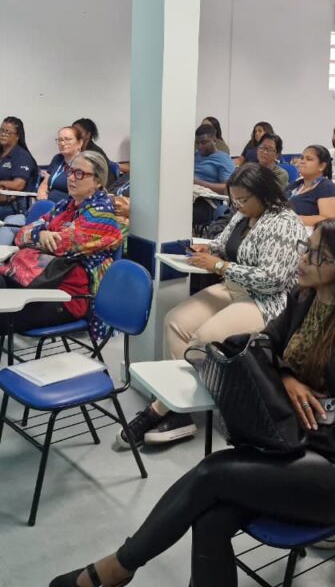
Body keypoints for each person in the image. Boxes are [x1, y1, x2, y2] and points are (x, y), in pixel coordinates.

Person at [53, 219, 335, 587]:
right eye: (308, 248)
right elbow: (262, 344)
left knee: (213, 471)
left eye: (319, 256)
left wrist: (301, 429)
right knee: (211, 521)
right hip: (289, 448)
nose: (303, 259)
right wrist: (287, 378)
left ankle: (118, 567)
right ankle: (118, 568)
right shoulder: (304, 300)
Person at [0, 151, 122, 443]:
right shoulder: (66, 206)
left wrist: (42, 235)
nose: (71, 177)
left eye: (81, 173)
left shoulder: (103, 214)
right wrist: (41, 235)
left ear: (99, 181)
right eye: (70, 170)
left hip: (68, 299)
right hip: (39, 283)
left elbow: (65, 244)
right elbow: (25, 233)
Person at [118, 163, 305, 449]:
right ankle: (182, 408)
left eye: (243, 200)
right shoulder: (243, 215)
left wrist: (219, 265)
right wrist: (209, 250)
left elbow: (274, 280)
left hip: (265, 300)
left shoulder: (285, 222)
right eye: (234, 200)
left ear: (265, 194)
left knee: (204, 339)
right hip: (233, 288)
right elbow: (223, 243)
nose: (238, 205)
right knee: (176, 321)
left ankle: (162, 410)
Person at [0, 116, 38, 219]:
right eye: (1, 130)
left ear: (17, 136)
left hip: (13, 206)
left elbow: (18, 184)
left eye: (8, 132)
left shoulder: (21, 156)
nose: (3, 134)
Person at [286, 145, 335, 227]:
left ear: (321, 166)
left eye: (309, 159)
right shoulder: (295, 185)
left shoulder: (327, 188)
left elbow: (328, 220)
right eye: (301, 158)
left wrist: (291, 219)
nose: (302, 161)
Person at [38, 126, 82, 204]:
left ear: (80, 143)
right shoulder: (57, 158)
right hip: (49, 206)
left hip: (68, 209)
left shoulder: (85, 164)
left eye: (67, 139)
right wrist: (41, 191)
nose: (62, 143)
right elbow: (45, 183)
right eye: (60, 140)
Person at [73, 117, 116, 187]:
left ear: (88, 134)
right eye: (73, 132)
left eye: (78, 133)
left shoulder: (95, 153)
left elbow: (98, 178)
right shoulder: (75, 150)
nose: (74, 136)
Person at [193, 123, 235, 194]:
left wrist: (199, 183)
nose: (200, 146)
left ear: (214, 141)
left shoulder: (224, 159)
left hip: (207, 199)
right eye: (198, 143)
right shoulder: (195, 155)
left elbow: (228, 188)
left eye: (204, 142)